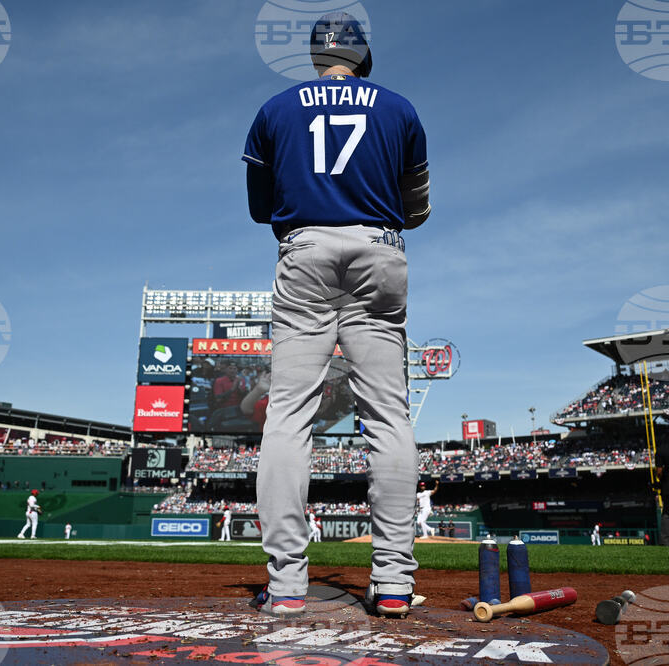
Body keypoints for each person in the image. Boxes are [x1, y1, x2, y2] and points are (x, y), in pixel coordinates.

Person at [245, 11, 430, 617]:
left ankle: (289, 585)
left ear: (313, 54)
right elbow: (418, 207)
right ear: (363, 55)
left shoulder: (275, 109)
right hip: (380, 250)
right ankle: (396, 582)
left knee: (289, 418)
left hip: (305, 253)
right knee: (387, 415)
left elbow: (258, 207)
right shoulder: (399, 108)